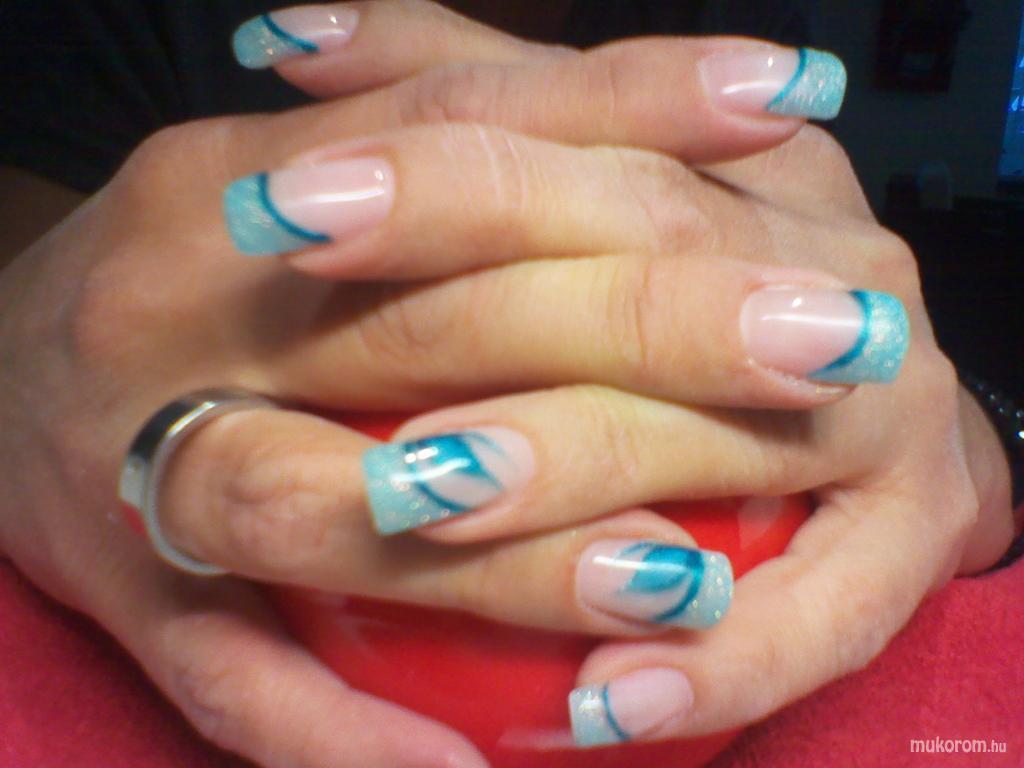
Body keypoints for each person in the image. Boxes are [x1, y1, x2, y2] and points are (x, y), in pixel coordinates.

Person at [0, 1, 1019, 767]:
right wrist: (19, 330)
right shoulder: (111, 23)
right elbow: (47, 319)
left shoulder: (742, 22)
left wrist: (970, 437)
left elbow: (915, 389)